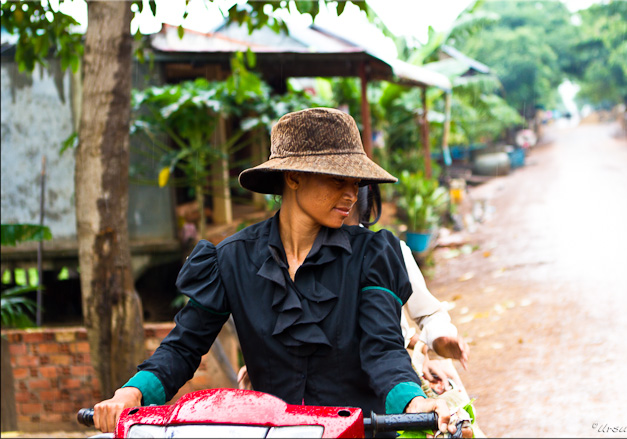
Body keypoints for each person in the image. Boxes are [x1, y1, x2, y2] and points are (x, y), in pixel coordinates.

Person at [92, 108, 459, 437]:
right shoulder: (231, 259)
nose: (351, 194)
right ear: (294, 177)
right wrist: (131, 393)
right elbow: (185, 346)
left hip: (361, 432)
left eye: (355, 182)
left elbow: (383, 352)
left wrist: (414, 404)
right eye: (337, 179)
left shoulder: (373, 254)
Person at [347, 184, 470, 395]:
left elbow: (427, 313)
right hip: (360, 387)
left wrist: (436, 340)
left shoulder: (387, 252)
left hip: (394, 375)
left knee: (458, 411)